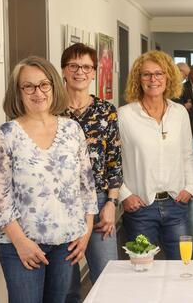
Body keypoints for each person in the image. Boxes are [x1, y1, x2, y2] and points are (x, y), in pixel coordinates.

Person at [0, 56, 97, 303]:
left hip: (66, 244)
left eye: (44, 84)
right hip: (21, 246)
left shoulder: (72, 130)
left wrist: (86, 231)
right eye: (29, 86)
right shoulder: (6, 135)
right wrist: (21, 243)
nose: (38, 92)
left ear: (54, 86)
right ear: (18, 91)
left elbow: (86, 186)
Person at [118, 50, 193, 259]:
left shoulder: (179, 112)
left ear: (168, 77)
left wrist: (191, 187)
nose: (153, 79)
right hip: (140, 209)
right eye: (146, 74)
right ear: (139, 79)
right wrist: (124, 195)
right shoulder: (124, 115)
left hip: (176, 205)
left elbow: (188, 154)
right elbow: (113, 162)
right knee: (142, 270)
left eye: (159, 73)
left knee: (182, 267)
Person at [61, 43, 122, 302]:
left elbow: (114, 162)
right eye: (73, 66)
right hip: (60, 205)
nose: (80, 72)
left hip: (98, 204)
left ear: (94, 72)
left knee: (109, 277)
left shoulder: (106, 112)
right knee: (66, 286)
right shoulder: (50, 109)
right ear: (63, 70)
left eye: (86, 67)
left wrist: (111, 203)